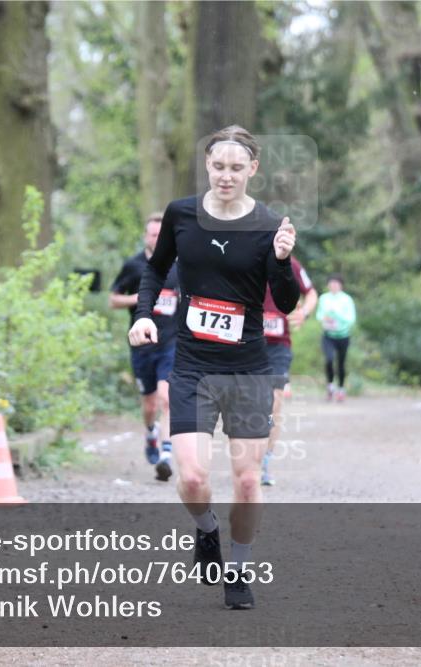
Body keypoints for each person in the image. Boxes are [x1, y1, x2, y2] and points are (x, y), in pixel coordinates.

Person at [129, 125, 299, 610]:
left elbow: (284, 304)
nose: (226, 176)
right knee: (194, 477)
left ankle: (239, 568)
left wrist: (282, 261)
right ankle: (206, 530)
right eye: (219, 166)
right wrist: (143, 316)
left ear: (253, 170)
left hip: (247, 367)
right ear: (208, 166)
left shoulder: (269, 225)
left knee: (247, 480)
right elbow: (156, 269)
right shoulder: (183, 214)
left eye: (236, 168)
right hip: (192, 365)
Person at [110, 213, 179, 482]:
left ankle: (165, 454)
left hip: (171, 344)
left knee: (166, 398)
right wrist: (137, 299)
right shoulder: (134, 266)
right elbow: (112, 300)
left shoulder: (179, 267)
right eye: (152, 234)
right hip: (141, 346)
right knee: (150, 404)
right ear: (145, 236)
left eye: (161, 235)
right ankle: (151, 432)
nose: (156, 239)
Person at [261, 256, 317, 486]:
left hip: (278, 346)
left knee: (274, 401)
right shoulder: (245, 254)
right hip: (245, 343)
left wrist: (304, 313)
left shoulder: (291, 264)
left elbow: (312, 293)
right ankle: (248, 455)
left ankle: (265, 460)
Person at [316, 274, 356, 402]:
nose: (333, 286)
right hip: (328, 335)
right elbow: (319, 315)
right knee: (329, 359)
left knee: (341, 363)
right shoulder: (323, 298)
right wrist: (324, 318)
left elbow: (351, 319)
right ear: (328, 285)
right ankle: (330, 386)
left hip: (343, 336)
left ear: (341, 285)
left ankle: (341, 389)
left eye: (336, 283)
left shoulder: (347, 299)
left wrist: (336, 313)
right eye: (331, 283)